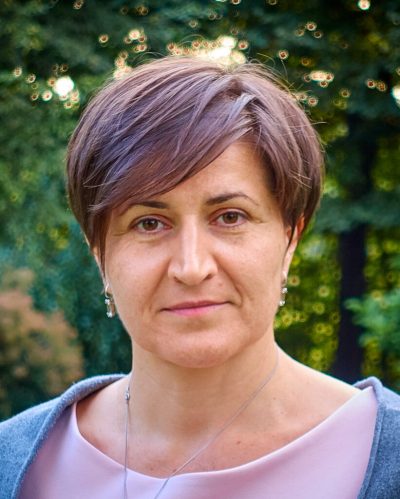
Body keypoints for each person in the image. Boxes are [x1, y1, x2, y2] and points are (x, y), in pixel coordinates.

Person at [1, 56, 400, 499]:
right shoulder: (13, 464)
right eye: (149, 223)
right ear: (100, 253)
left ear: (289, 239)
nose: (191, 268)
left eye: (230, 217)